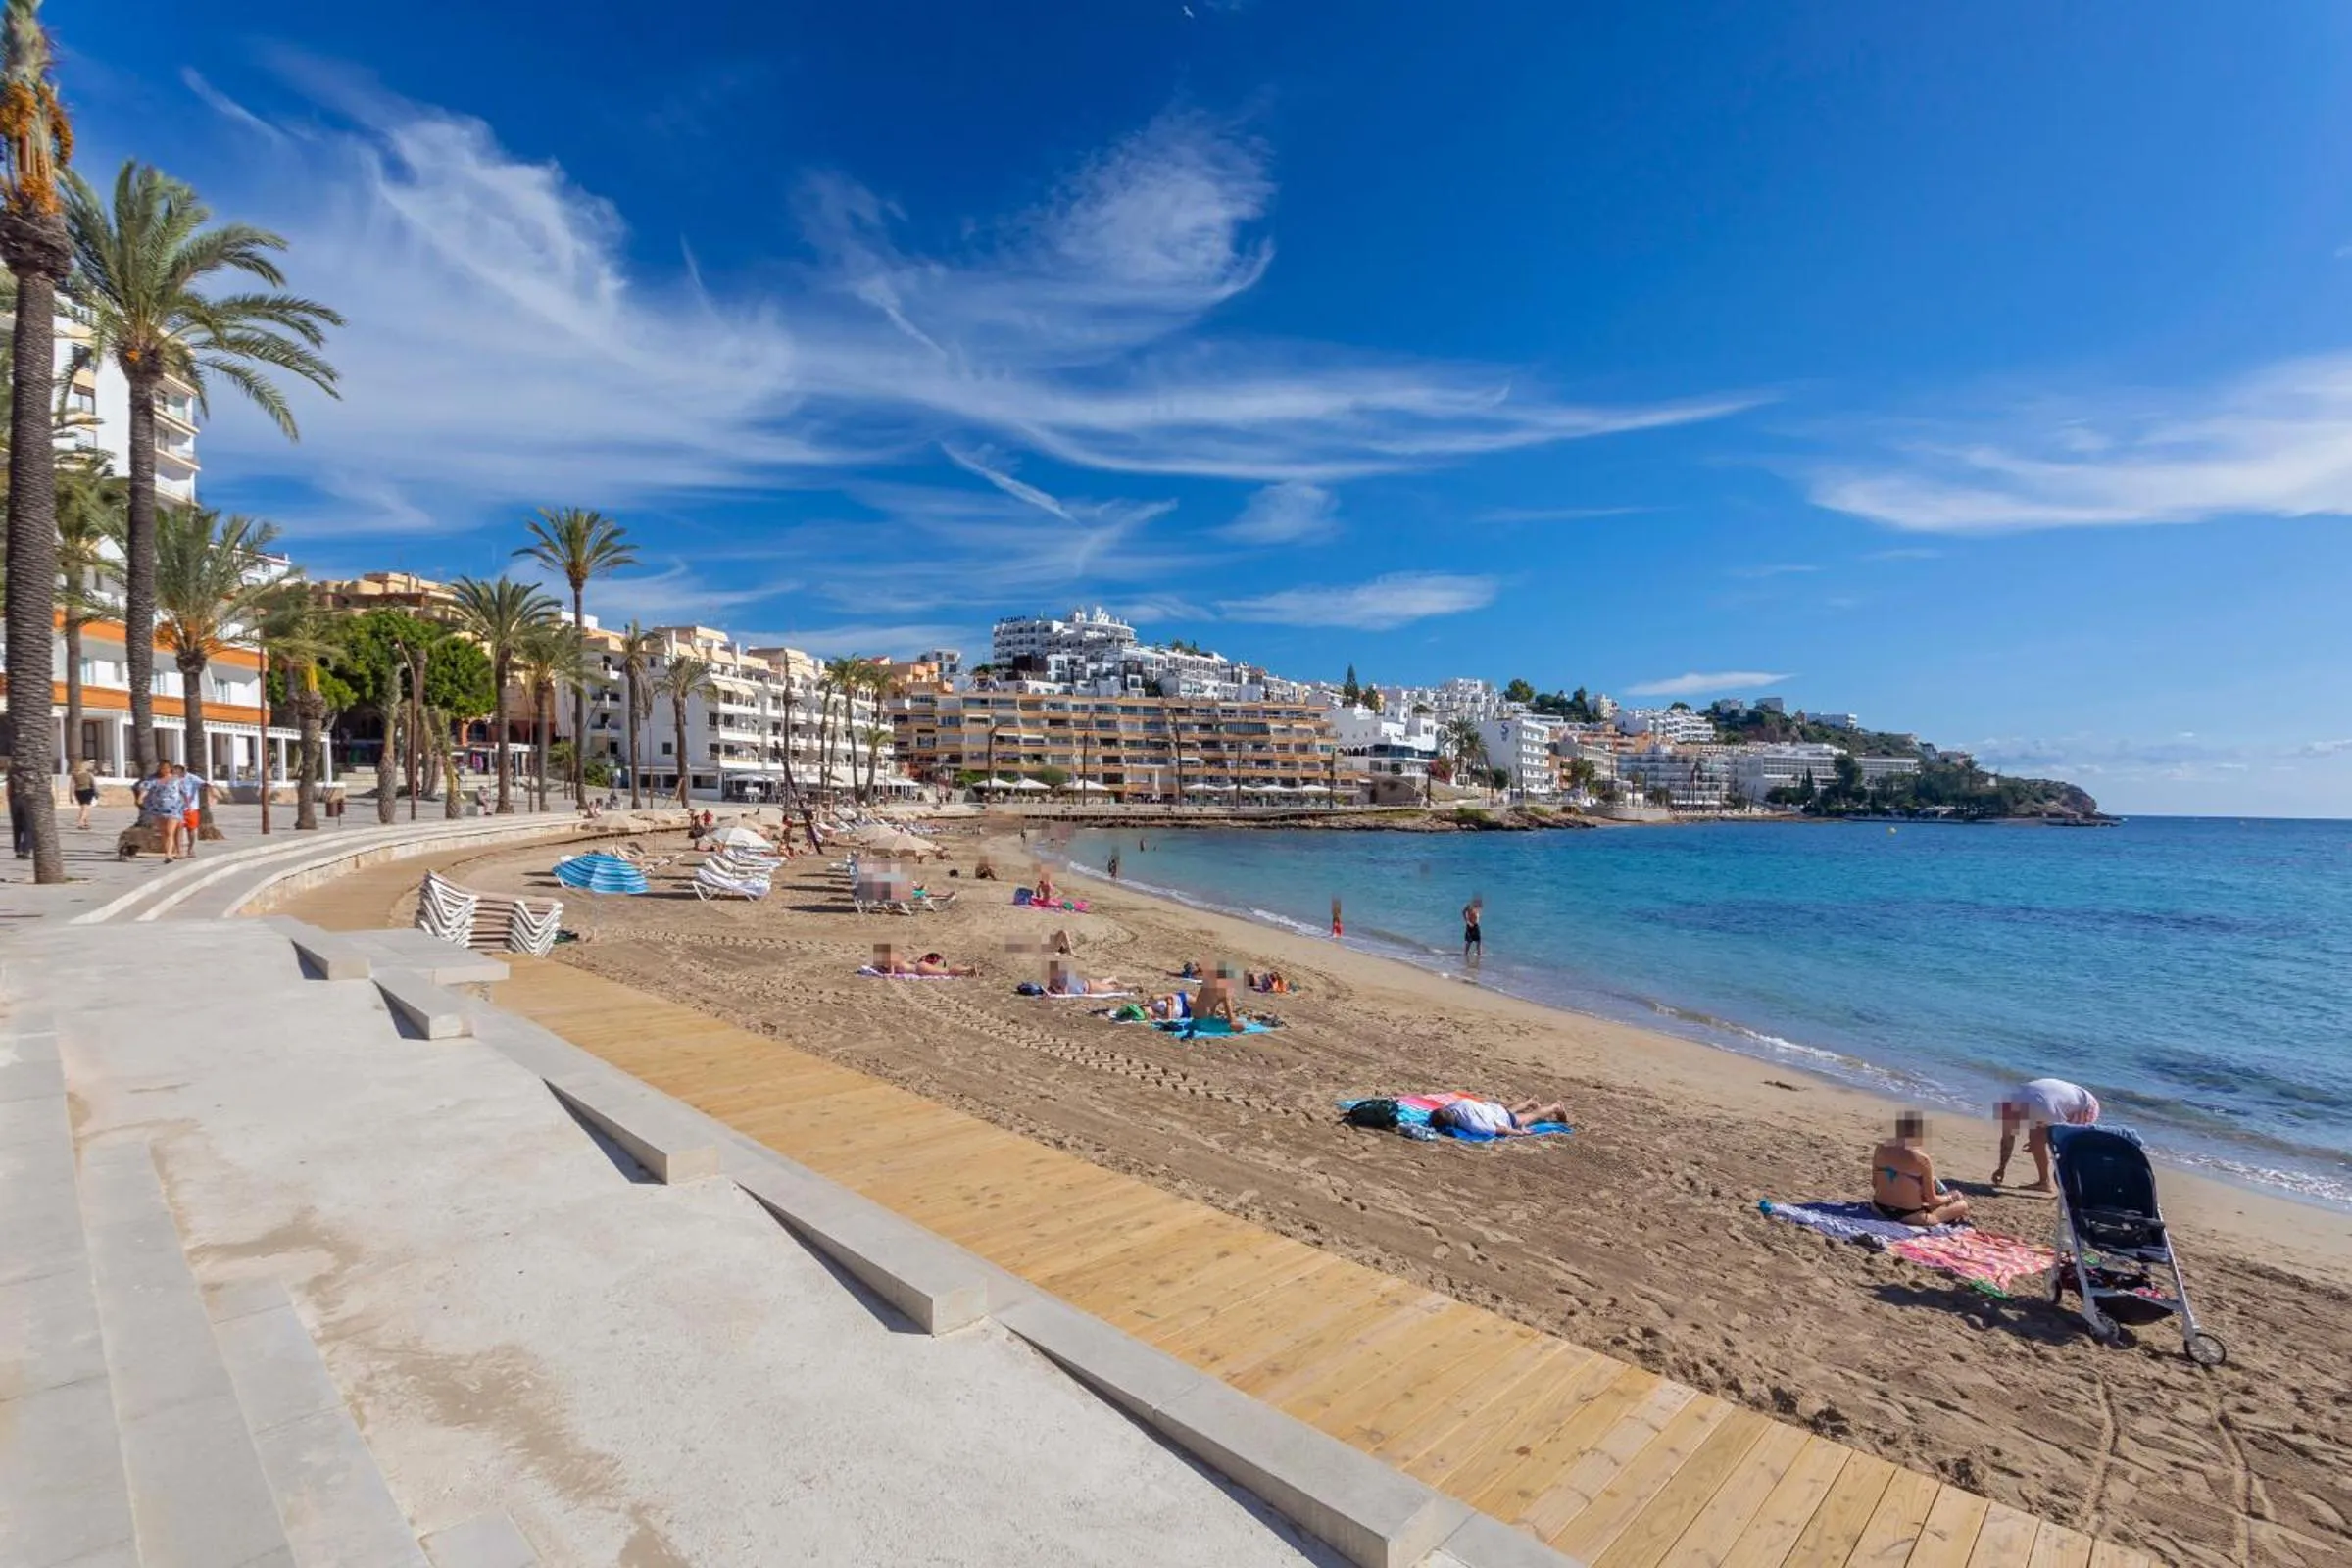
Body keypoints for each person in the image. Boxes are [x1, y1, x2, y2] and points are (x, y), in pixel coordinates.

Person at [1993, 1078, 2101, 1193]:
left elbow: (2060, 1134)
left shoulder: (2042, 1109)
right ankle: (2044, 1182)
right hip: (2048, 1102)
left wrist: (2042, 1138)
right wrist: (2001, 1168)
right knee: (2036, 1141)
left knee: (2064, 1147)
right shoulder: (2011, 1103)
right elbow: (2007, 1140)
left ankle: (2068, 1189)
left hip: (2086, 1106)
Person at [1872, 1111, 1971, 1227]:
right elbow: (1931, 1199)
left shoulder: (1879, 1148)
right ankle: (1938, 1211)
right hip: (1909, 1216)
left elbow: (1874, 1183)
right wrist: (1950, 1197)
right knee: (1962, 1205)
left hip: (1878, 1208)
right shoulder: (1922, 1159)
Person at [1430, 1097, 1569, 1138]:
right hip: (1490, 1108)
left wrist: (1521, 1132)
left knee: (1528, 1117)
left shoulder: (1475, 1125)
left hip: (1500, 1117)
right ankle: (1529, 1102)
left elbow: (1502, 1129)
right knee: (1508, 1110)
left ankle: (1555, 1107)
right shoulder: (1453, 1107)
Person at [136, 763, 184, 861]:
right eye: (162, 768)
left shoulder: (176, 779)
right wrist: (141, 797)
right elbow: (145, 788)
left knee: (169, 831)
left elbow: (184, 791)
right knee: (163, 832)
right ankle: (169, 850)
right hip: (158, 809)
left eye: (166, 768)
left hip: (174, 808)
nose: (164, 770)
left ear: (170, 769)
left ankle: (168, 854)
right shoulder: (153, 779)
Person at [71, 758, 97, 830]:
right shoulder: (88, 774)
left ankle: (86, 823)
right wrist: (96, 793)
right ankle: (81, 822)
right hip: (87, 791)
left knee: (83, 808)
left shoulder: (74, 774)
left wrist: (70, 796)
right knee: (86, 808)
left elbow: (72, 785)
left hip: (78, 792)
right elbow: (93, 784)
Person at [1462, 897, 1484, 962]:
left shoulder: (1477, 908)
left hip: (1476, 925)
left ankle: (1479, 956)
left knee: (1478, 941)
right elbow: (1463, 912)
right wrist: (1467, 921)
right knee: (1469, 941)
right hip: (1470, 925)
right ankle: (1465, 955)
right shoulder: (1469, 906)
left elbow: (1476, 915)